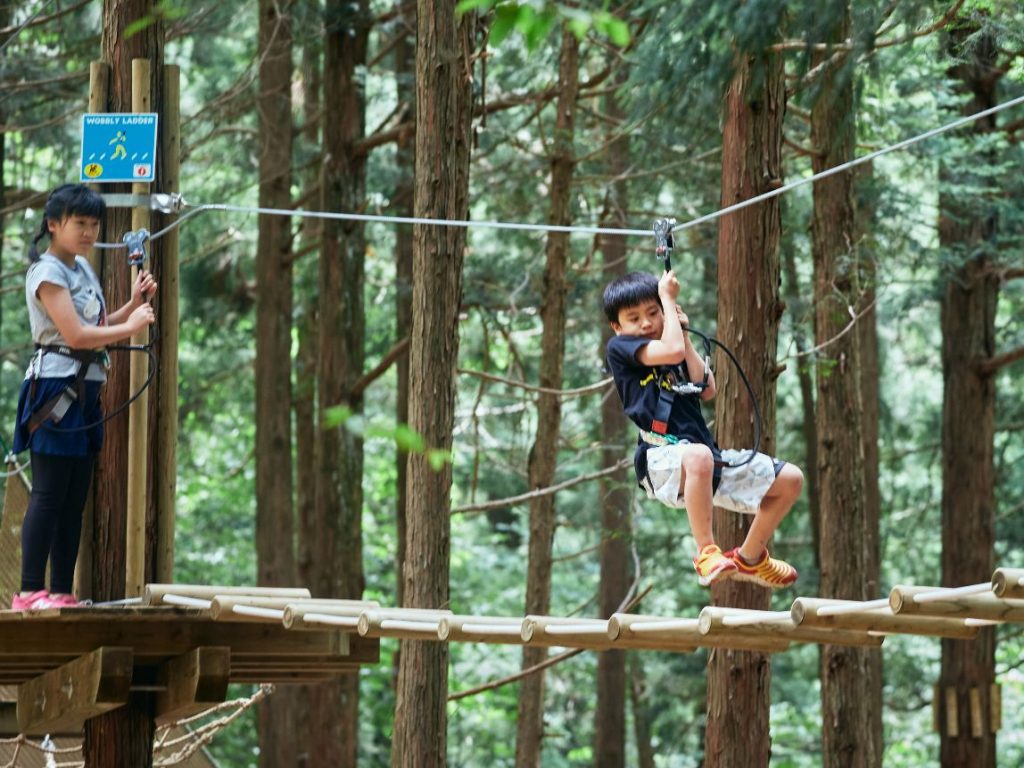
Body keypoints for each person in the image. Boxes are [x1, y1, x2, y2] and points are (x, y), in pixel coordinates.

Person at [603, 269, 802, 588]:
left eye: (653, 312)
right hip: (660, 460)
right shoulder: (622, 349)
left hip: (705, 460)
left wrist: (681, 333)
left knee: (790, 480)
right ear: (618, 326)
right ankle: (706, 553)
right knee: (698, 457)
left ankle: (750, 559)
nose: (646, 323)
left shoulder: (671, 344)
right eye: (634, 318)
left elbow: (706, 388)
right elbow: (669, 352)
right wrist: (666, 298)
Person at [9, 184, 156, 610]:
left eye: (94, 224)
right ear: (54, 225)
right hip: (56, 390)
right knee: (50, 493)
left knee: (74, 500)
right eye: (80, 223)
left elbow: (101, 324)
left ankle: (59, 593)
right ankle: (28, 591)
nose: (89, 232)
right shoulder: (48, 272)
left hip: (85, 392)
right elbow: (75, 335)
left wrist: (132, 305)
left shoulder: (83, 269)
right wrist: (131, 328)